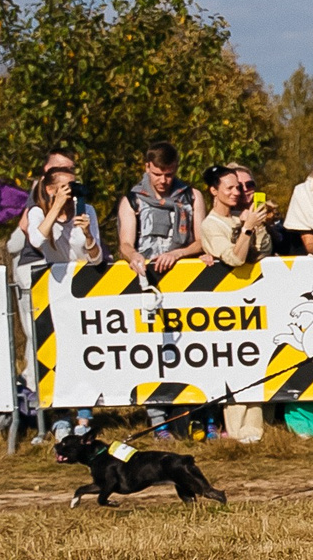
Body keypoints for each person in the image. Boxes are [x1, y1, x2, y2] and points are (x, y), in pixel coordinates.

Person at [19, 163, 101, 443]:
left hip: (82, 287)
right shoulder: (38, 212)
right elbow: (36, 238)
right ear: (51, 188)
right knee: (56, 354)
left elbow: (96, 257)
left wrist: (88, 234)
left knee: (84, 351)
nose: (71, 191)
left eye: (73, 185)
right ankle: (60, 414)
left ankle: (84, 415)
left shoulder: (86, 211)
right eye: (65, 186)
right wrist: (56, 207)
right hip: (52, 288)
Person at [198, 165, 275, 442]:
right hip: (228, 309)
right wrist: (247, 229)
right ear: (214, 191)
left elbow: (263, 253)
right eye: (229, 188)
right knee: (236, 367)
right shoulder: (211, 224)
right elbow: (234, 258)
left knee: (256, 363)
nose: (236, 192)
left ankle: (260, 426)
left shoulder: (237, 218)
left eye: (238, 187)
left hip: (253, 301)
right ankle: (239, 431)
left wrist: (259, 225)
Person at [117, 142, 201, 279]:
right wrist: (133, 255)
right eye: (157, 174)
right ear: (147, 167)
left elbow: (201, 242)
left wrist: (177, 254)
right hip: (144, 274)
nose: (163, 180)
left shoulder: (192, 197)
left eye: (169, 175)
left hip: (185, 273)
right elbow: (125, 244)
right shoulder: (132, 200)